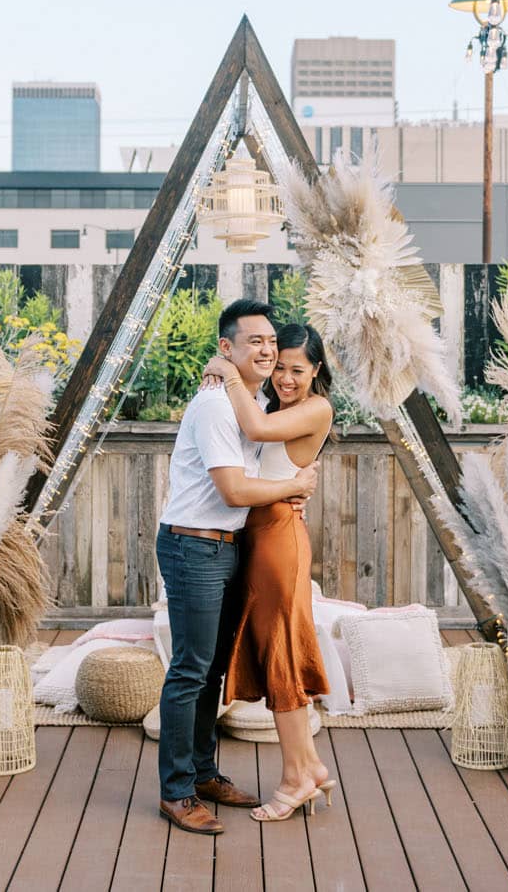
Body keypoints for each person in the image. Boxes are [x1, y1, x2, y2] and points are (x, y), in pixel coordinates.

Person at [156, 299, 318, 836]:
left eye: (272, 341)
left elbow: (268, 460)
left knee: (211, 670)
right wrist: (294, 486)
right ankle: (177, 792)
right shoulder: (214, 405)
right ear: (227, 348)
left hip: (230, 547)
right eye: (255, 342)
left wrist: (293, 489)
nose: (268, 351)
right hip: (193, 546)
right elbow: (233, 490)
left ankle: (204, 774)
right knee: (189, 670)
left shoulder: (255, 403)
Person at [203, 323, 337, 821]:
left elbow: (257, 432)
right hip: (258, 537)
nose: (285, 378)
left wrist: (226, 372)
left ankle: (296, 778)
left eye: (297, 370)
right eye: (279, 367)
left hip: (279, 540)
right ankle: (310, 767)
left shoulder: (315, 408)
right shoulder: (274, 406)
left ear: (315, 370)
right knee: (275, 652)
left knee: (281, 654)